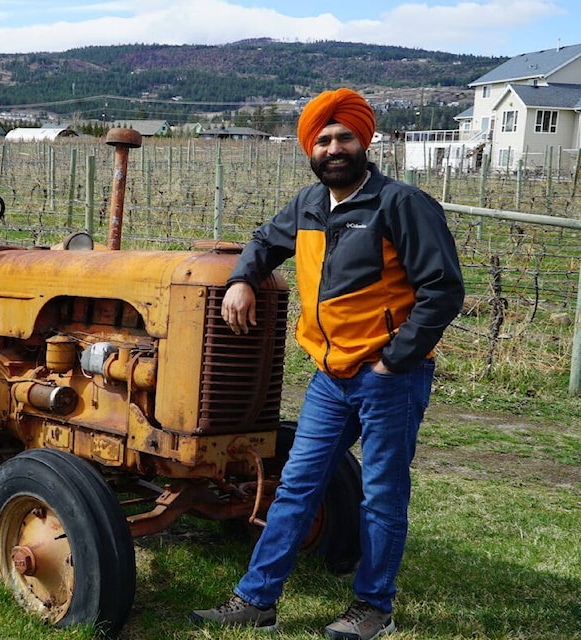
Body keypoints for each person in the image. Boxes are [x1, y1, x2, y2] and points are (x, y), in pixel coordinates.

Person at [191, 88, 465, 639]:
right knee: (296, 485)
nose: (333, 147)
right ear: (309, 149)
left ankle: (373, 608)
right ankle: (257, 601)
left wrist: (395, 359)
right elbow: (265, 241)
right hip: (330, 376)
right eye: (323, 140)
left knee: (382, 492)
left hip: (389, 377)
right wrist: (243, 278)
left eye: (344, 137)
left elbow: (443, 289)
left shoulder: (400, 204)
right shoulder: (309, 205)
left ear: (364, 141)